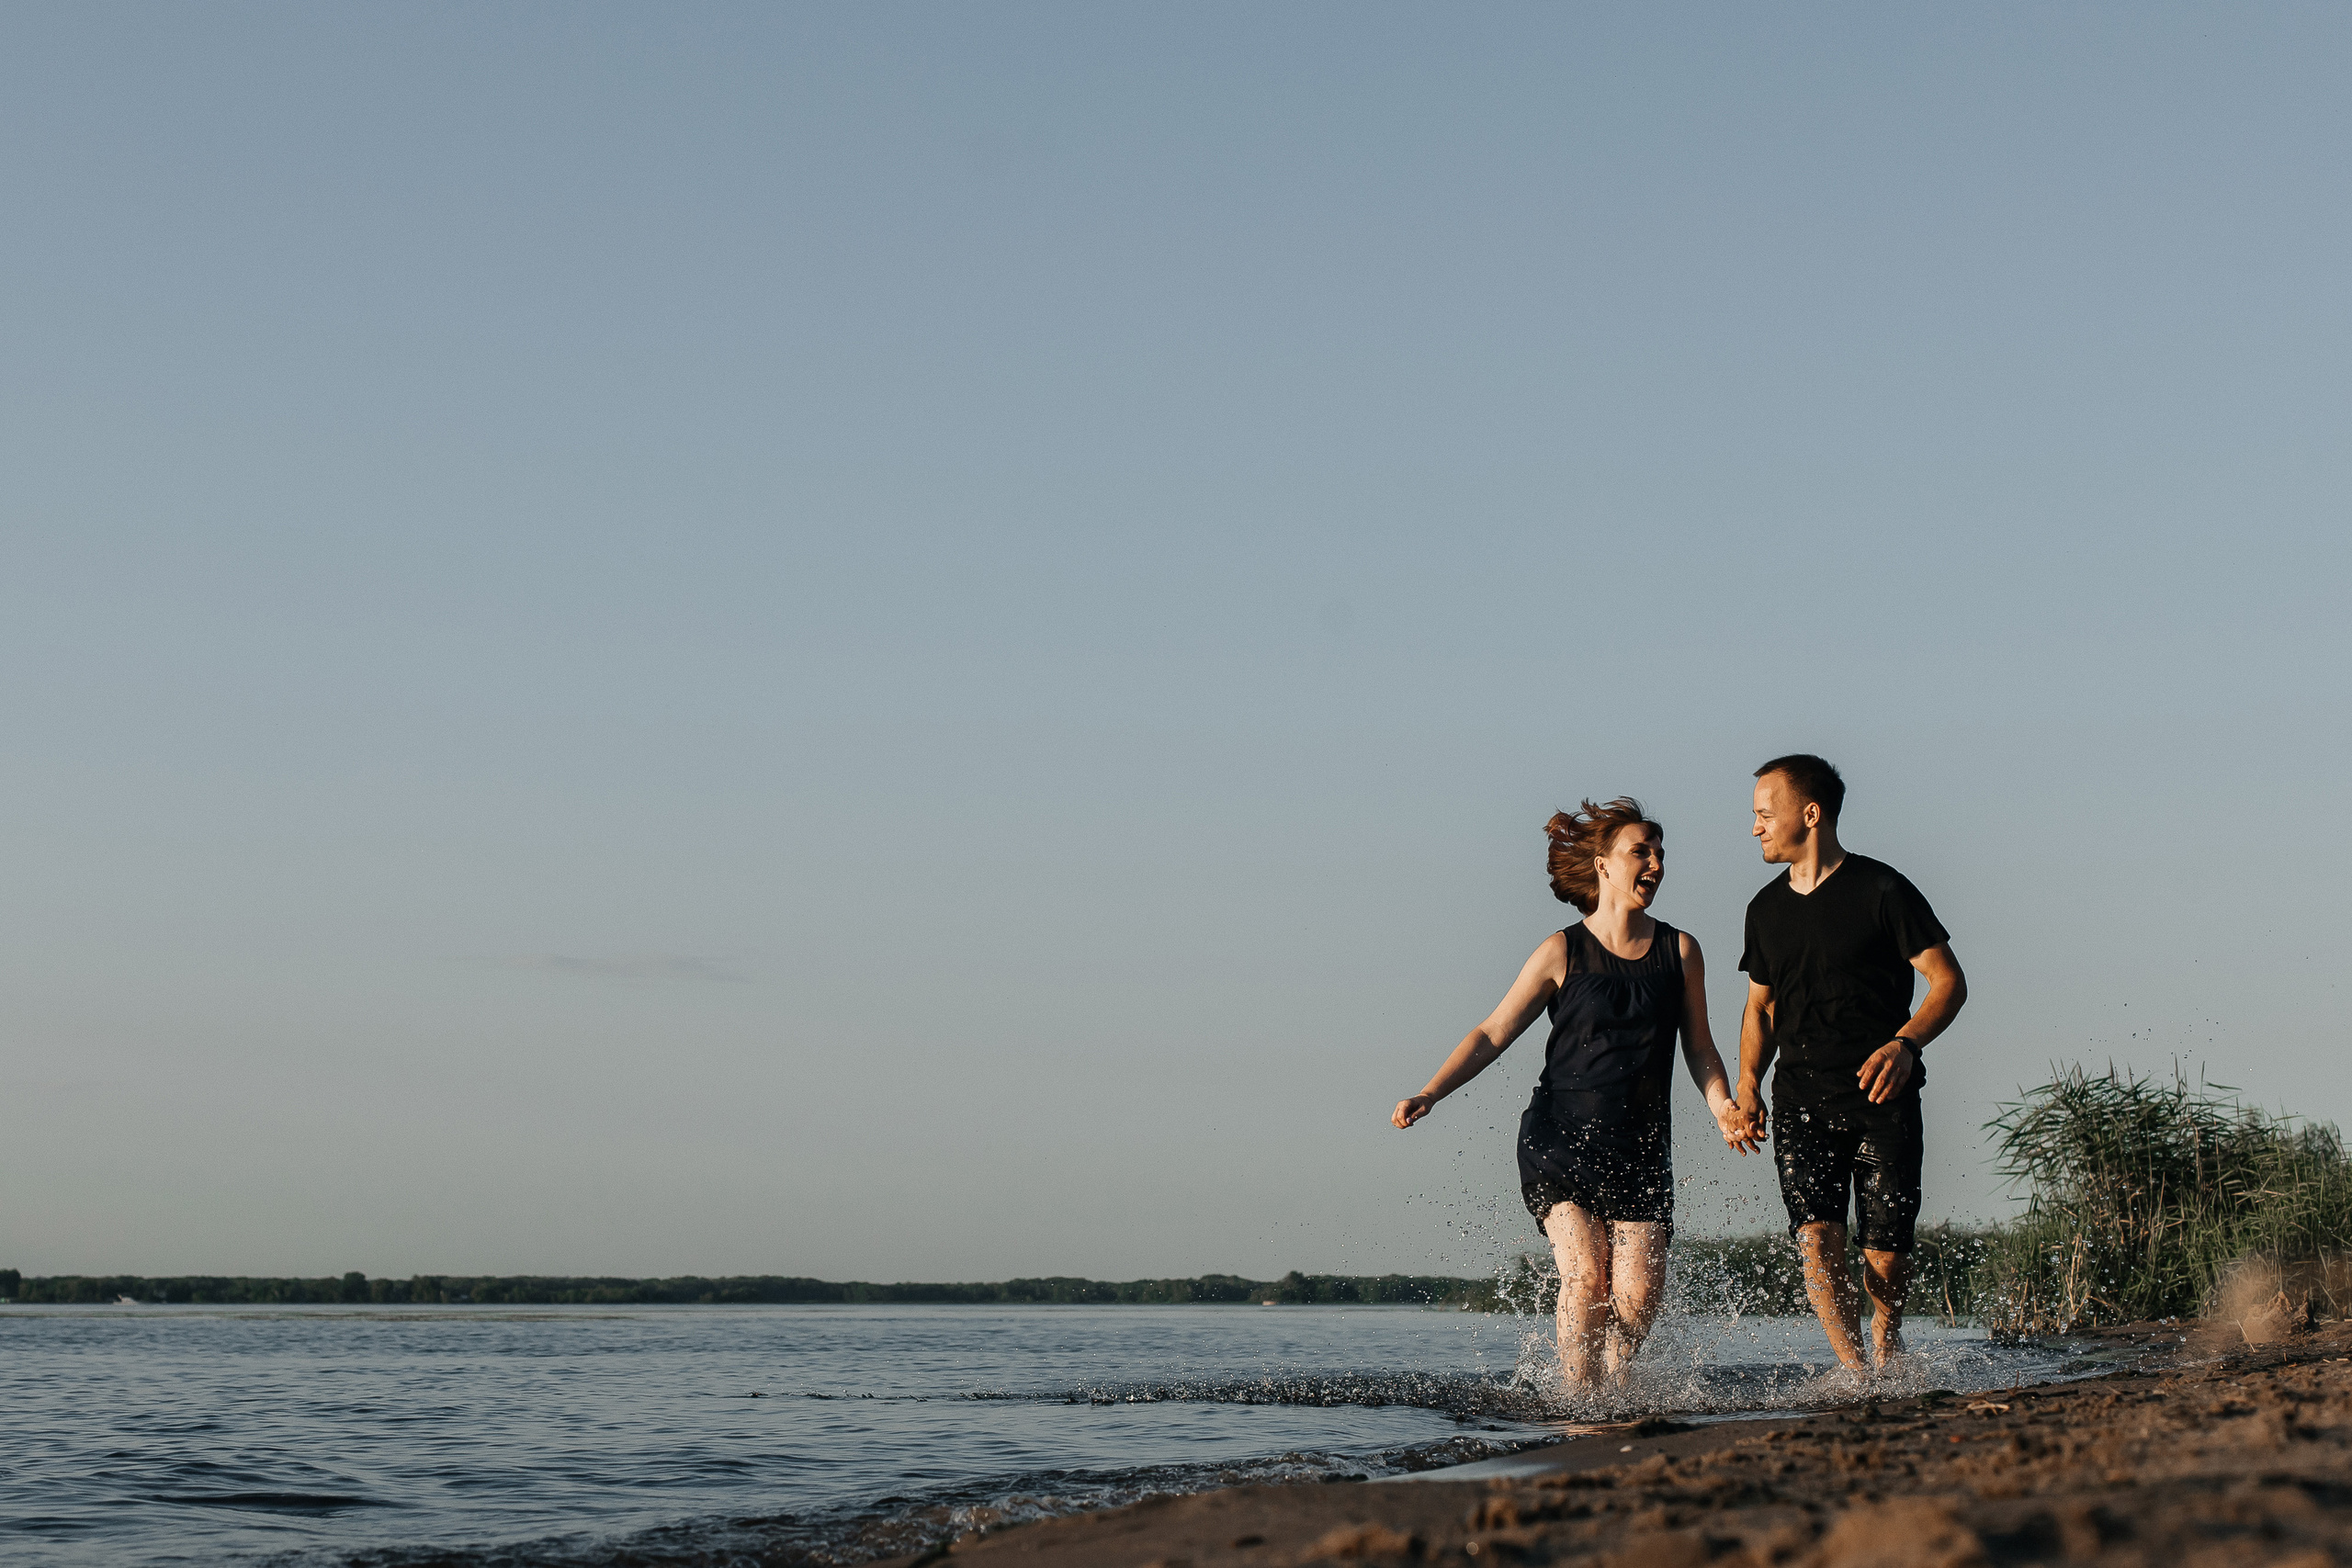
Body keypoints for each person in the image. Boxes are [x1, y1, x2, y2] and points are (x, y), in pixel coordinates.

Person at [1393, 799, 1755, 1386]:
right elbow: (1491, 1033)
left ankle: (1612, 1396)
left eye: (1661, 852)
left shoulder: (1680, 951)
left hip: (1639, 1146)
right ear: (1603, 864)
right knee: (1587, 1272)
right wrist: (1431, 1092)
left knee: (1638, 1294)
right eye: (1642, 851)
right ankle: (1576, 1401)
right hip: (1560, 1139)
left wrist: (1723, 1109)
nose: (1656, 863)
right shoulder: (1562, 951)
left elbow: (1700, 1047)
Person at [1735, 755, 1967, 1371]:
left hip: (1882, 1097)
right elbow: (1759, 1009)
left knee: (1884, 1256)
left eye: (1764, 813)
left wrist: (1907, 1042)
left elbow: (1947, 981)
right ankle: (1858, 1371)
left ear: (1809, 814)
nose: (1755, 827)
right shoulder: (1764, 911)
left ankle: (1887, 1335)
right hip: (1800, 1099)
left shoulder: (1882, 890)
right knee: (1815, 1239)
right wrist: (1748, 1082)